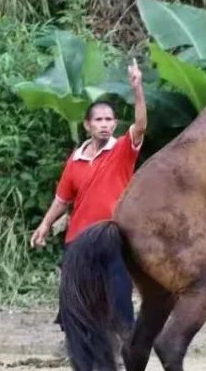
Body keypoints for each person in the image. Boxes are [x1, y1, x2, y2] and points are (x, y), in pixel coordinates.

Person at [30, 59, 146, 330]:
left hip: (112, 236)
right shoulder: (76, 158)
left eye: (109, 120)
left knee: (118, 294)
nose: (104, 125)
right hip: (78, 238)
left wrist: (137, 88)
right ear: (87, 125)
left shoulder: (122, 151)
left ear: (115, 124)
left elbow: (140, 125)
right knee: (74, 298)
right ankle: (76, 344)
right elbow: (63, 198)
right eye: (98, 120)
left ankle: (123, 346)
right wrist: (45, 224)